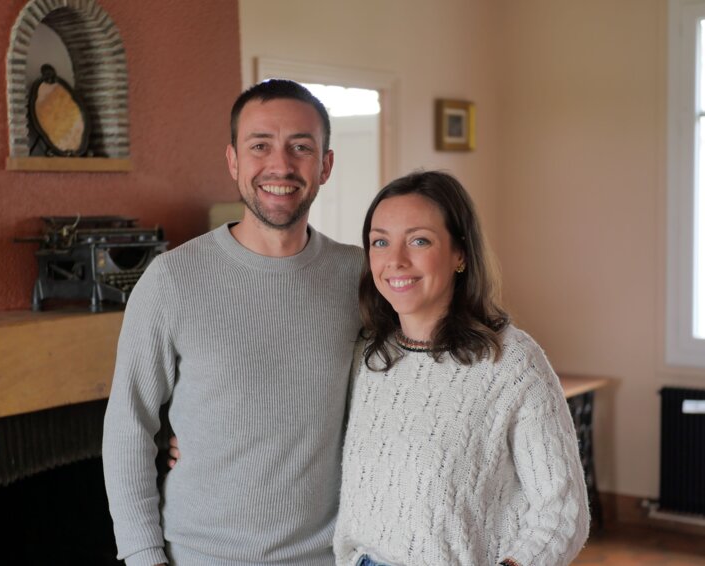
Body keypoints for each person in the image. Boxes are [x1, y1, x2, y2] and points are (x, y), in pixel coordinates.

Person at [102, 79, 364, 566]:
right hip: (199, 555)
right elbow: (128, 426)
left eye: (300, 148)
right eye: (260, 146)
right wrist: (142, 555)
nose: (280, 166)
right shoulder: (172, 280)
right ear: (233, 162)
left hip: (330, 555)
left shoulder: (359, 276)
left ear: (325, 165)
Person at [333, 171, 590, 566]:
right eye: (380, 242)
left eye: (419, 240)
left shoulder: (512, 362)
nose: (396, 260)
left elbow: (563, 511)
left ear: (460, 254)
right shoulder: (365, 356)